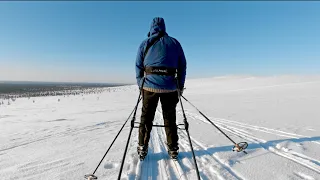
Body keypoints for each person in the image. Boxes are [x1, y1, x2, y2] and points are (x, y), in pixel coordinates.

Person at [135, 17, 187, 159]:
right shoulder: (174, 43)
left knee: (146, 117)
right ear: (164, 27)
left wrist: (141, 83)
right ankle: (173, 148)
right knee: (170, 117)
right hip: (170, 87)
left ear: (151, 28)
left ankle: (142, 146)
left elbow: (138, 66)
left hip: (149, 87)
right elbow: (182, 65)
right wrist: (180, 86)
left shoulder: (145, 43)